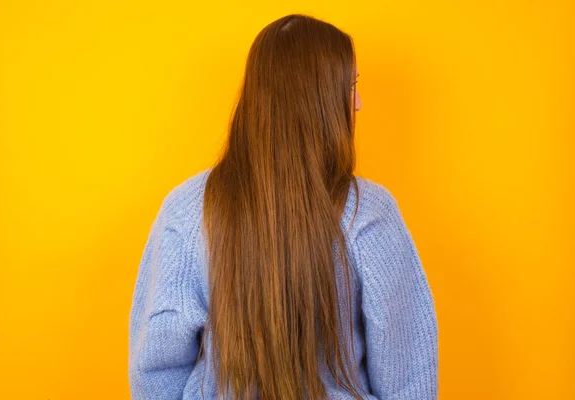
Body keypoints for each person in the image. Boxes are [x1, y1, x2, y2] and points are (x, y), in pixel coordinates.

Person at [129, 14, 438, 400]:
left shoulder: (186, 212)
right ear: (317, 99)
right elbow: (409, 375)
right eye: (351, 86)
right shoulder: (370, 213)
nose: (359, 103)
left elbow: (154, 368)